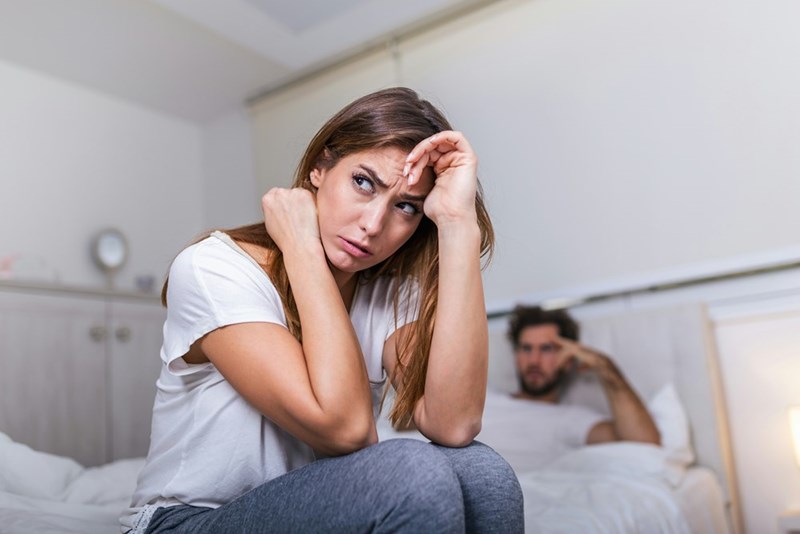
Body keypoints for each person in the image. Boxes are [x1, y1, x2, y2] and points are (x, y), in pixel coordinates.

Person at [121, 87, 523, 534]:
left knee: (484, 474)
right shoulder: (214, 267)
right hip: (184, 521)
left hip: (308, 512)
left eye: (406, 207)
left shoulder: (388, 293)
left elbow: (454, 424)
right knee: (410, 472)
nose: (373, 225)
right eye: (363, 182)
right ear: (319, 167)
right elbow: (347, 430)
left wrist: (458, 223)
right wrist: (302, 248)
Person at [504, 305, 661, 448]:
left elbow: (644, 444)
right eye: (526, 348)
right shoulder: (490, 401)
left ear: (568, 360)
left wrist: (605, 366)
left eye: (546, 349)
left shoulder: (571, 421)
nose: (534, 360)